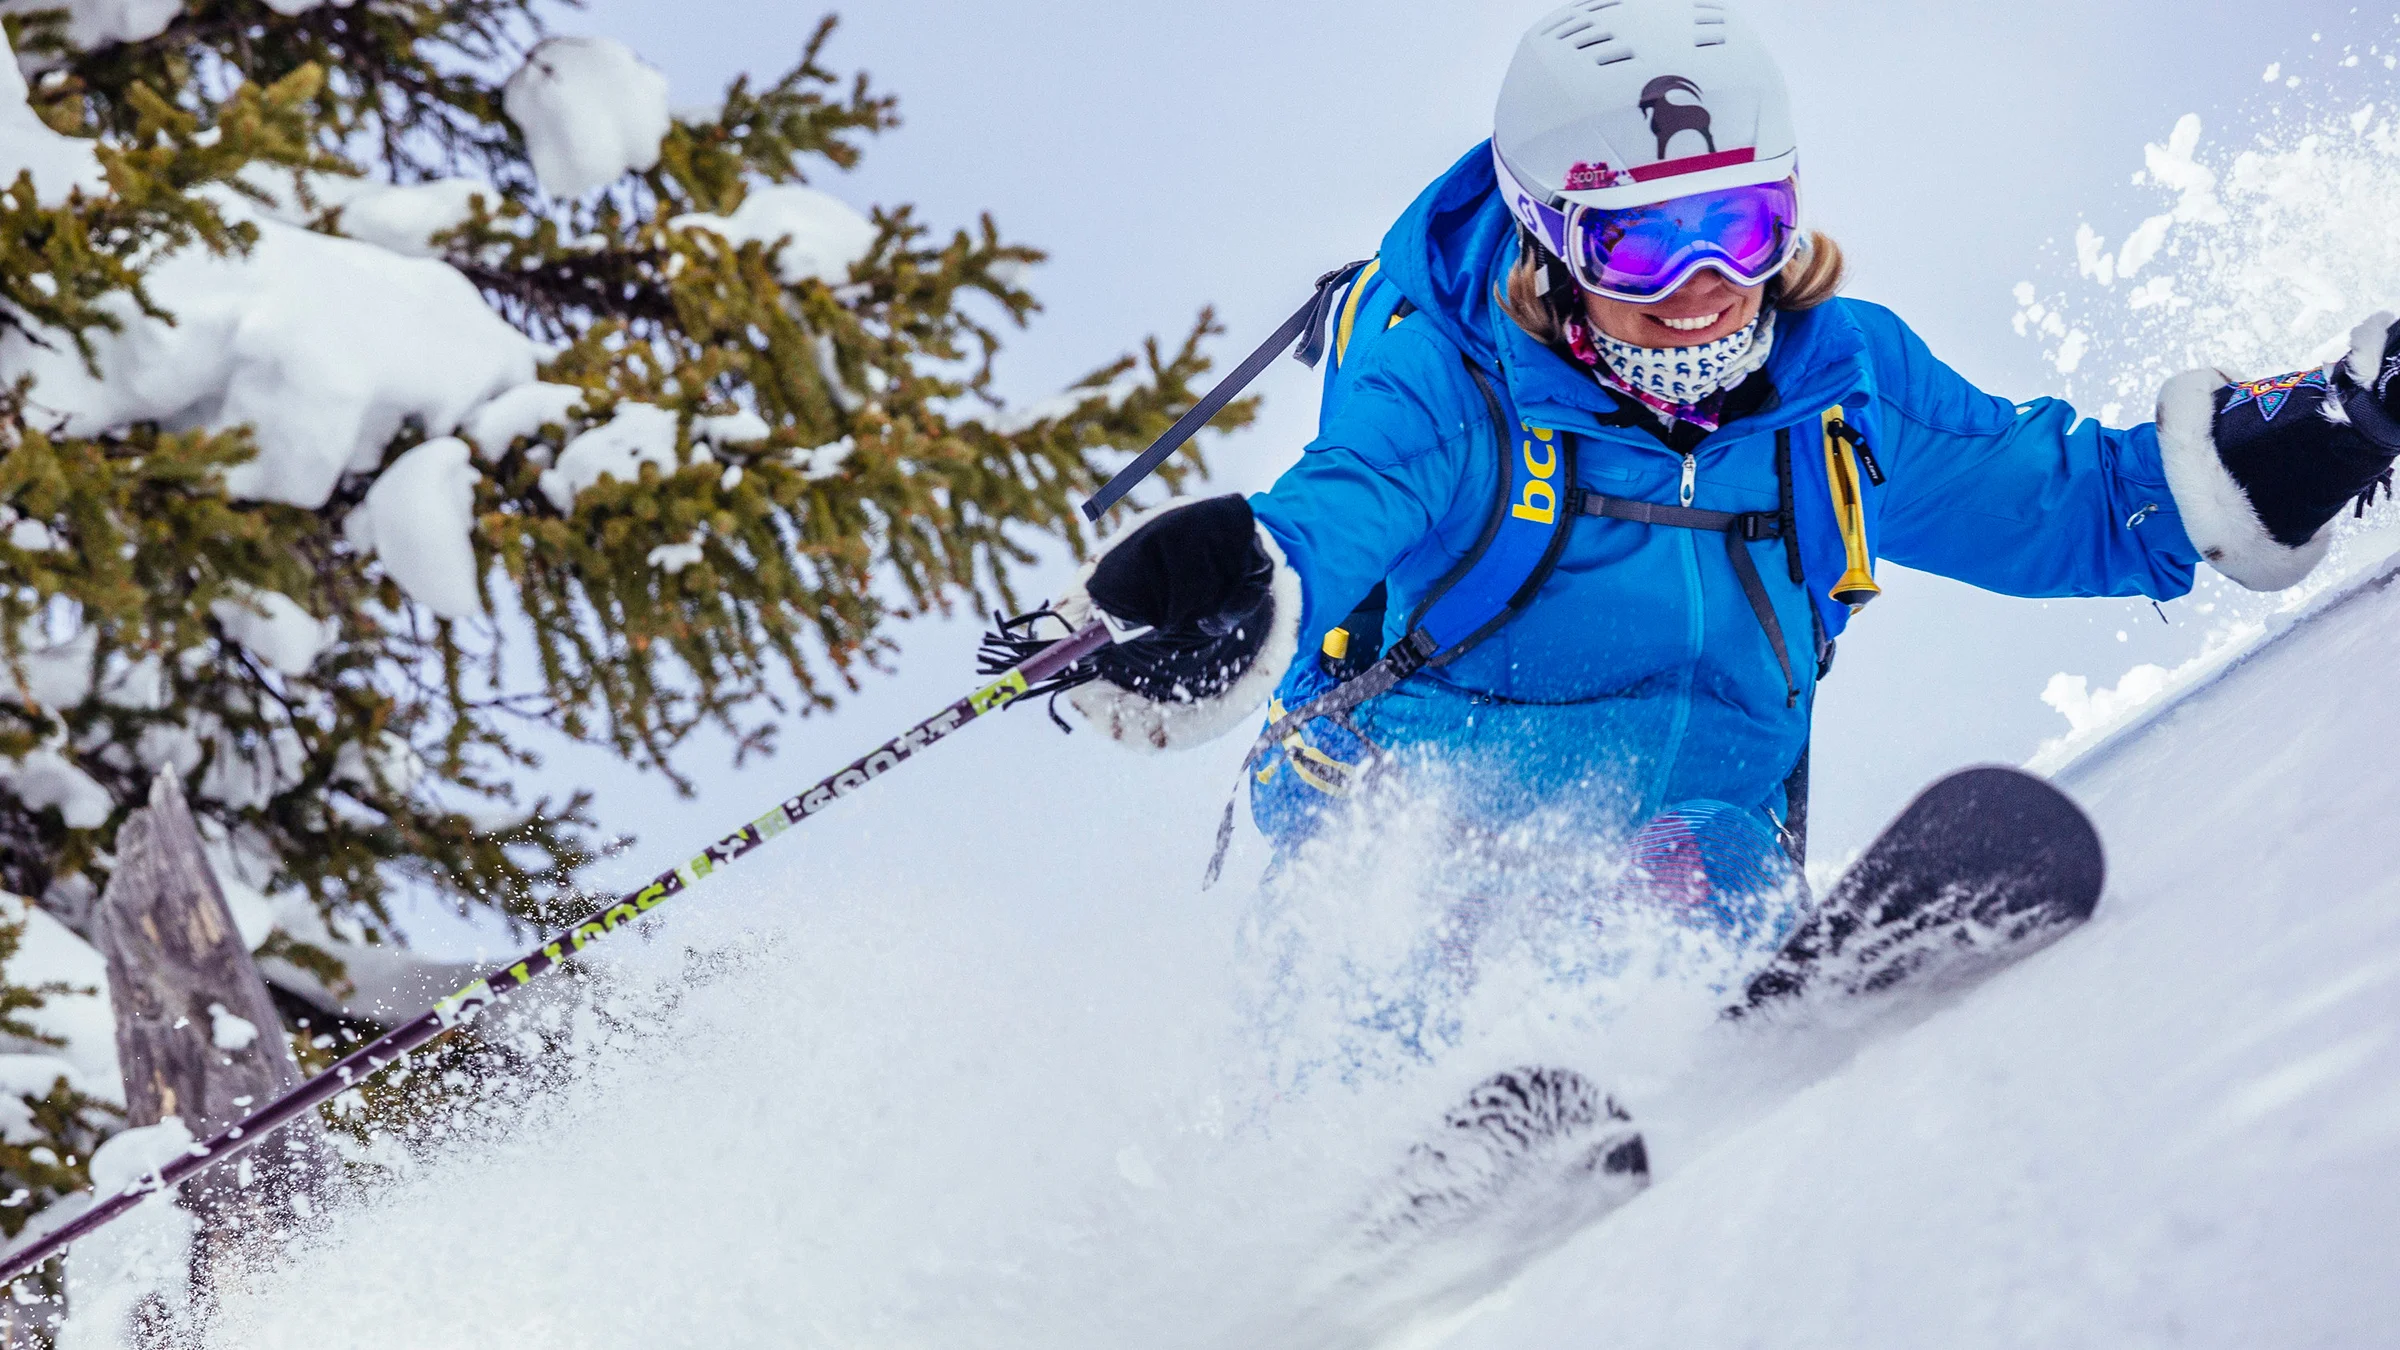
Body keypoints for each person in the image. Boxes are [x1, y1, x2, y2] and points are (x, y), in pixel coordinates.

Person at [1054, 0, 2400, 951]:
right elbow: (1335, 510)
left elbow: (2079, 503)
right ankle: (1367, 1160)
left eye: (1740, 226)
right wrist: (1239, 578)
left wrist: (2317, 434)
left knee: (1691, 874)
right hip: (1399, 857)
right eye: (1647, 250)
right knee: (1420, 917)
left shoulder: (1839, 393)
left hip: (1689, 872)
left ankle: (1713, 1029)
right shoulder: (1451, 387)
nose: (1704, 292)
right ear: (1549, 241)